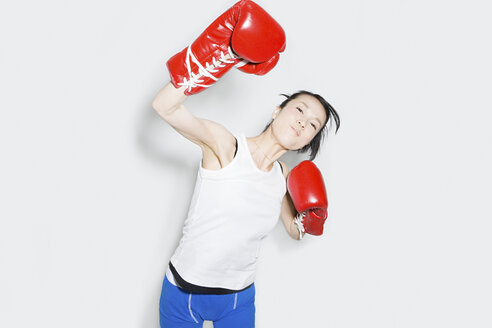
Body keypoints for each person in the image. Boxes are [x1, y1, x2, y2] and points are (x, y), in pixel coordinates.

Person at [152, 1, 340, 327]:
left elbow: (293, 231)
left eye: (312, 125)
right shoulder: (226, 146)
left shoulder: (283, 176)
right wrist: (219, 56)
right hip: (183, 295)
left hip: (238, 299)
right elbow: (164, 106)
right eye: (300, 110)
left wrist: (308, 222)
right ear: (277, 111)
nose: (303, 122)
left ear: (307, 142)